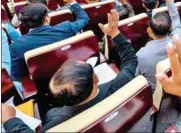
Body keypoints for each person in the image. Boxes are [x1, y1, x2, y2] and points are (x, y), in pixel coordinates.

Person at [2, 10, 137, 133]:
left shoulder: (55, 119)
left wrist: (11, 122)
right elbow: (130, 59)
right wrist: (114, 33)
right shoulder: (120, 85)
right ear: (96, 78)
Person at [9, 0, 89, 81]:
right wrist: (73, 2)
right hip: (72, 70)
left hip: (43, 81)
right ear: (47, 18)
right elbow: (84, 19)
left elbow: (16, 75)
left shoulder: (16, 46)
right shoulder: (66, 28)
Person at [135, 0, 181, 88]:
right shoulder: (178, 38)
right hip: (178, 83)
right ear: (170, 28)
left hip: (157, 94)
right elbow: (175, 17)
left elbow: (138, 77)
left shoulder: (142, 55)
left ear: (149, 31)